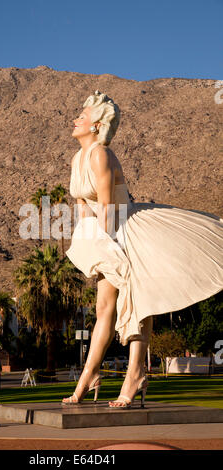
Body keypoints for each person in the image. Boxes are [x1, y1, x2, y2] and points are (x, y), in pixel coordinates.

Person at [62, 89, 223, 408]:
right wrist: (91, 252)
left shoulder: (100, 155)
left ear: (96, 125)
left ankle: (134, 373)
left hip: (126, 227)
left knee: (139, 300)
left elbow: (108, 208)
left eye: (83, 114)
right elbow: (85, 212)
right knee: (103, 310)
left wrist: (108, 250)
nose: (76, 117)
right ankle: (87, 379)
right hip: (104, 233)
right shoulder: (78, 159)